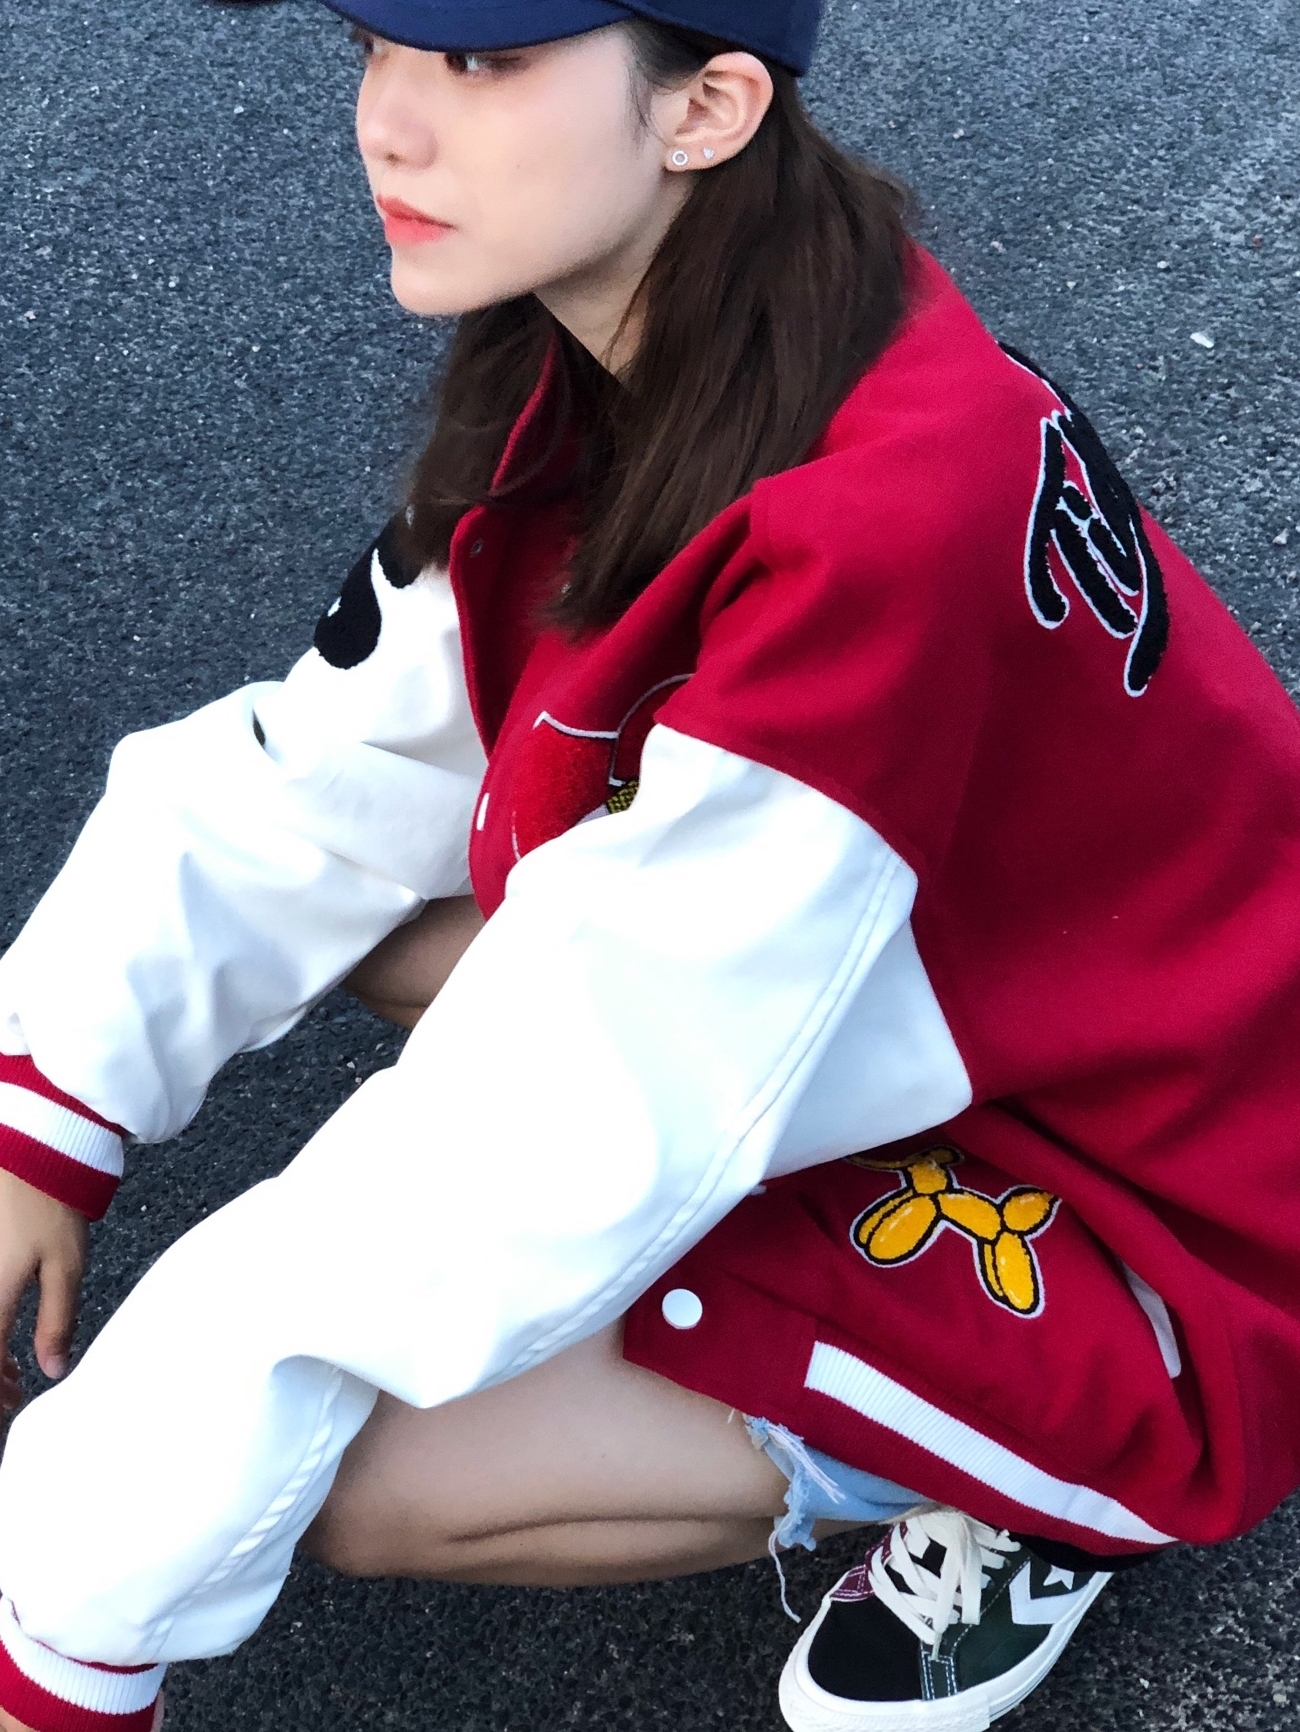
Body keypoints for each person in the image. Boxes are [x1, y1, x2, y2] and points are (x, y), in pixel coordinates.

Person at [0, 3, 1298, 1729]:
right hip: (988, 998)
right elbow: (341, 763)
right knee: (424, 960)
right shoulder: (695, 322)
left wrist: (70, 1611)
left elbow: (563, 1115)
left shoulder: (876, 521)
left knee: (362, 1467)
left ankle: (1050, 1481)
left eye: (482, 63)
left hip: (1172, 1194)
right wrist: (41, 1107)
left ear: (709, 107)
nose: (388, 124)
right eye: (380, 46)